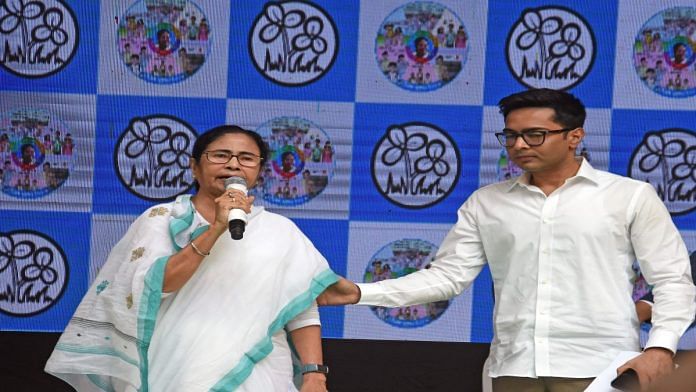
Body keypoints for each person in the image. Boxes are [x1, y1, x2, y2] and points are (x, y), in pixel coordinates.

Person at [318, 89, 696, 391]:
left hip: (602, 366)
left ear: (574, 136)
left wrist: (660, 347)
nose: (519, 145)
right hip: (513, 367)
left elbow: (672, 281)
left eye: (535, 134)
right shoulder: (487, 202)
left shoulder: (629, 196)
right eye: (511, 135)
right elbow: (448, 277)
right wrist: (360, 293)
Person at [46, 125, 338, 391]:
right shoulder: (161, 220)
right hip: (178, 366)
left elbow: (301, 307)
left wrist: (314, 375)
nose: (234, 164)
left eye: (247, 158)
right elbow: (157, 286)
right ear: (195, 167)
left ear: (259, 171)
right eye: (221, 155)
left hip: (260, 372)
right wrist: (217, 229)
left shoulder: (279, 231)